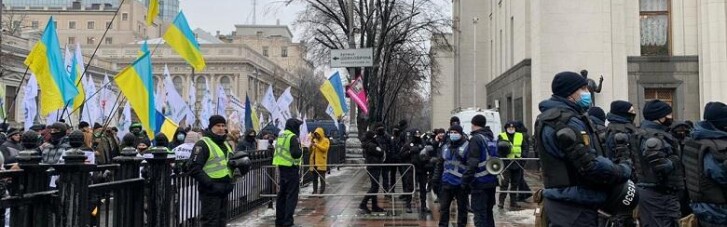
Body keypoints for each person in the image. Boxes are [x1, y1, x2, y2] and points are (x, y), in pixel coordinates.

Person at [535, 71, 632, 226]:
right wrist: (622, 170)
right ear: (570, 93)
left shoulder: (556, 117)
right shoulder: (566, 121)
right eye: (584, 89)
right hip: (573, 205)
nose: (588, 93)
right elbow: (589, 165)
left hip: (568, 201)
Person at [635, 100, 684, 227]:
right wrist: (675, 159)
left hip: (658, 194)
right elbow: (660, 166)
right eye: (668, 114)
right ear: (660, 117)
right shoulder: (652, 137)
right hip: (658, 195)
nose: (671, 117)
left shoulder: (649, 133)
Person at [683, 102, 727, 226]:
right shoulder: (712, 146)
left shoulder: (696, 140)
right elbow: (720, 175)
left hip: (704, 206)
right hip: (717, 210)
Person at [187, 115, 236, 227]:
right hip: (210, 191)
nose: (221, 128)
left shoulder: (226, 144)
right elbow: (194, 168)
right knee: (210, 222)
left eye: (223, 125)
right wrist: (210, 184)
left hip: (224, 189)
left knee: (221, 221)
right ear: (211, 127)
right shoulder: (203, 144)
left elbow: (229, 165)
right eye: (218, 125)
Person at [602, 100, 641, 226]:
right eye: (631, 111)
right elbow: (620, 158)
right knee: (624, 217)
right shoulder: (620, 132)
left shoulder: (614, 128)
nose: (633, 114)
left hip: (622, 180)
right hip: (624, 182)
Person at [434, 125, 471, 227]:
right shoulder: (445, 146)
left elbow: (471, 165)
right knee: (444, 208)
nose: (453, 134)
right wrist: (435, 179)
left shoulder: (467, 146)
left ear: (460, 133)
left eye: (455, 132)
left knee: (462, 209)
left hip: (461, 184)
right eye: (451, 132)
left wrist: (468, 182)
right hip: (446, 182)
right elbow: (439, 164)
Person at [466, 115, 499, 227]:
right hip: (491, 181)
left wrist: (465, 180)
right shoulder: (491, 138)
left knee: (479, 214)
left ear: (473, 124)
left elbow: (472, 162)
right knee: (488, 213)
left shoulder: (476, 139)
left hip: (479, 182)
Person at [273, 118, 304, 227]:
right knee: (291, 196)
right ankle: (288, 221)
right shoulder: (293, 137)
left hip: (282, 167)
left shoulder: (282, 135)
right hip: (291, 168)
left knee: (282, 195)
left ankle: (279, 220)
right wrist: (301, 150)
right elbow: (296, 153)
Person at [498, 121, 524, 209]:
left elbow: (525, 147)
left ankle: (513, 202)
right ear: (506, 128)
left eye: (513, 128)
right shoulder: (501, 136)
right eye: (509, 128)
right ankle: (501, 202)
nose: (511, 129)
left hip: (517, 162)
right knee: (504, 183)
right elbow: (499, 150)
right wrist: (503, 160)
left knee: (515, 183)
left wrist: (523, 159)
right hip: (506, 163)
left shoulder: (520, 136)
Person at [359, 130, 386, 213]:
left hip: (374, 166)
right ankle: (363, 203)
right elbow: (380, 152)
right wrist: (380, 149)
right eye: (374, 136)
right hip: (373, 166)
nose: (376, 137)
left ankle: (374, 206)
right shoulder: (371, 145)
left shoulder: (370, 144)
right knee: (374, 187)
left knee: (375, 186)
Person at [401, 129, 425, 213]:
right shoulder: (408, 144)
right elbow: (402, 155)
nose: (417, 135)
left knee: (423, 188)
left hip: (421, 168)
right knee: (409, 187)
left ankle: (424, 206)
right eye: (416, 134)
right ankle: (408, 205)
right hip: (411, 169)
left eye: (419, 133)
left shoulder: (423, 143)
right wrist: (410, 151)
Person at [309, 127, 330, 195]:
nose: (317, 136)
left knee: (322, 178)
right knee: (314, 178)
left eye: (318, 134)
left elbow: (325, 149)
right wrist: (311, 145)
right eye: (316, 134)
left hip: (321, 162)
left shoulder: (325, 140)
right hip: (314, 162)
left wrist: (316, 145)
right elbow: (311, 150)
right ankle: (314, 190)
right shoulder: (315, 140)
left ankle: (322, 191)